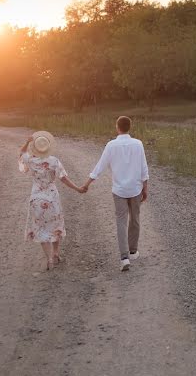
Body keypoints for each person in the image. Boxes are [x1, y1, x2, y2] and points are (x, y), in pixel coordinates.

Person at [82, 116, 149, 271]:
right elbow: (144, 168)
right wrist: (145, 188)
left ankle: (124, 257)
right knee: (135, 219)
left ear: (117, 127)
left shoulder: (111, 145)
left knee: (121, 221)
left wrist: (86, 184)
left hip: (119, 190)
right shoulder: (138, 144)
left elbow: (100, 166)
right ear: (130, 127)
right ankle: (133, 251)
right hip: (135, 188)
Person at [18, 130, 86, 270]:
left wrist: (27, 142)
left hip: (36, 198)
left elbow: (20, 154)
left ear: (35, 148)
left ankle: (48, 258)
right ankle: (55, 253)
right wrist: (77, 188)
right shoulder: (54, 161)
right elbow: (63, 178)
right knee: (55, 226)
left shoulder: (30, 160)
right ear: (48, 147)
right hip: (52, 197)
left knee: (41, 228)